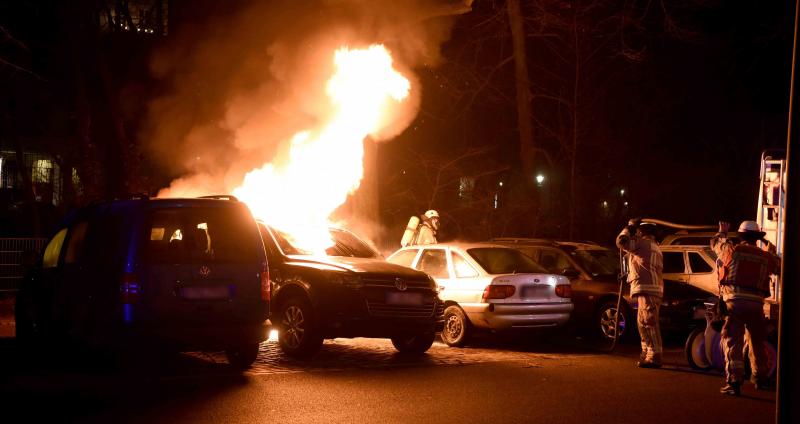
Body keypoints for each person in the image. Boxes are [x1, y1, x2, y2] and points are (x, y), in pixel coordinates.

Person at [711, 220, 780, 396]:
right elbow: (780, 265)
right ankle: (760, 378)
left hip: (735, 302)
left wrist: (722, 232)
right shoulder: (766, 257)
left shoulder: (732, 251)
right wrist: (768, 244)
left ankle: (734, 382)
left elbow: (716, 244)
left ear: (741, 236)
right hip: (756, 305)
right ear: (757, 238)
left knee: (733, 342)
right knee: (757, 342)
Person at [616, 219, 664, 368]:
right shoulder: (652, 246)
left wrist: (628, 227)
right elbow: (642, 266)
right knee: (643, 323)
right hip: (650, 289)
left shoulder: (643, 244)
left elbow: (621, 242)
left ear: (642, 232)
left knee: (649, 323)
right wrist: (629, 276)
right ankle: (647, 353)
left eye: (638, 231)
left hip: (647, 289)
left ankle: (654, 356)